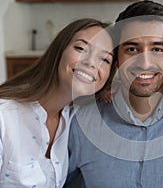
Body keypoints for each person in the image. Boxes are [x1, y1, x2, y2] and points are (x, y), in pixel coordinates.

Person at [65, 0, 163, 187]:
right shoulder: (78, 123)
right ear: (116, 58)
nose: (144, 63)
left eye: (157, 49)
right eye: (131, 49)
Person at [0, 18, 114, 188]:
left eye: (104, 59)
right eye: (81, 48)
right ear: (59, 50)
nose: (91, 62)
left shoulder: (71, 117)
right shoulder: (4, 117)